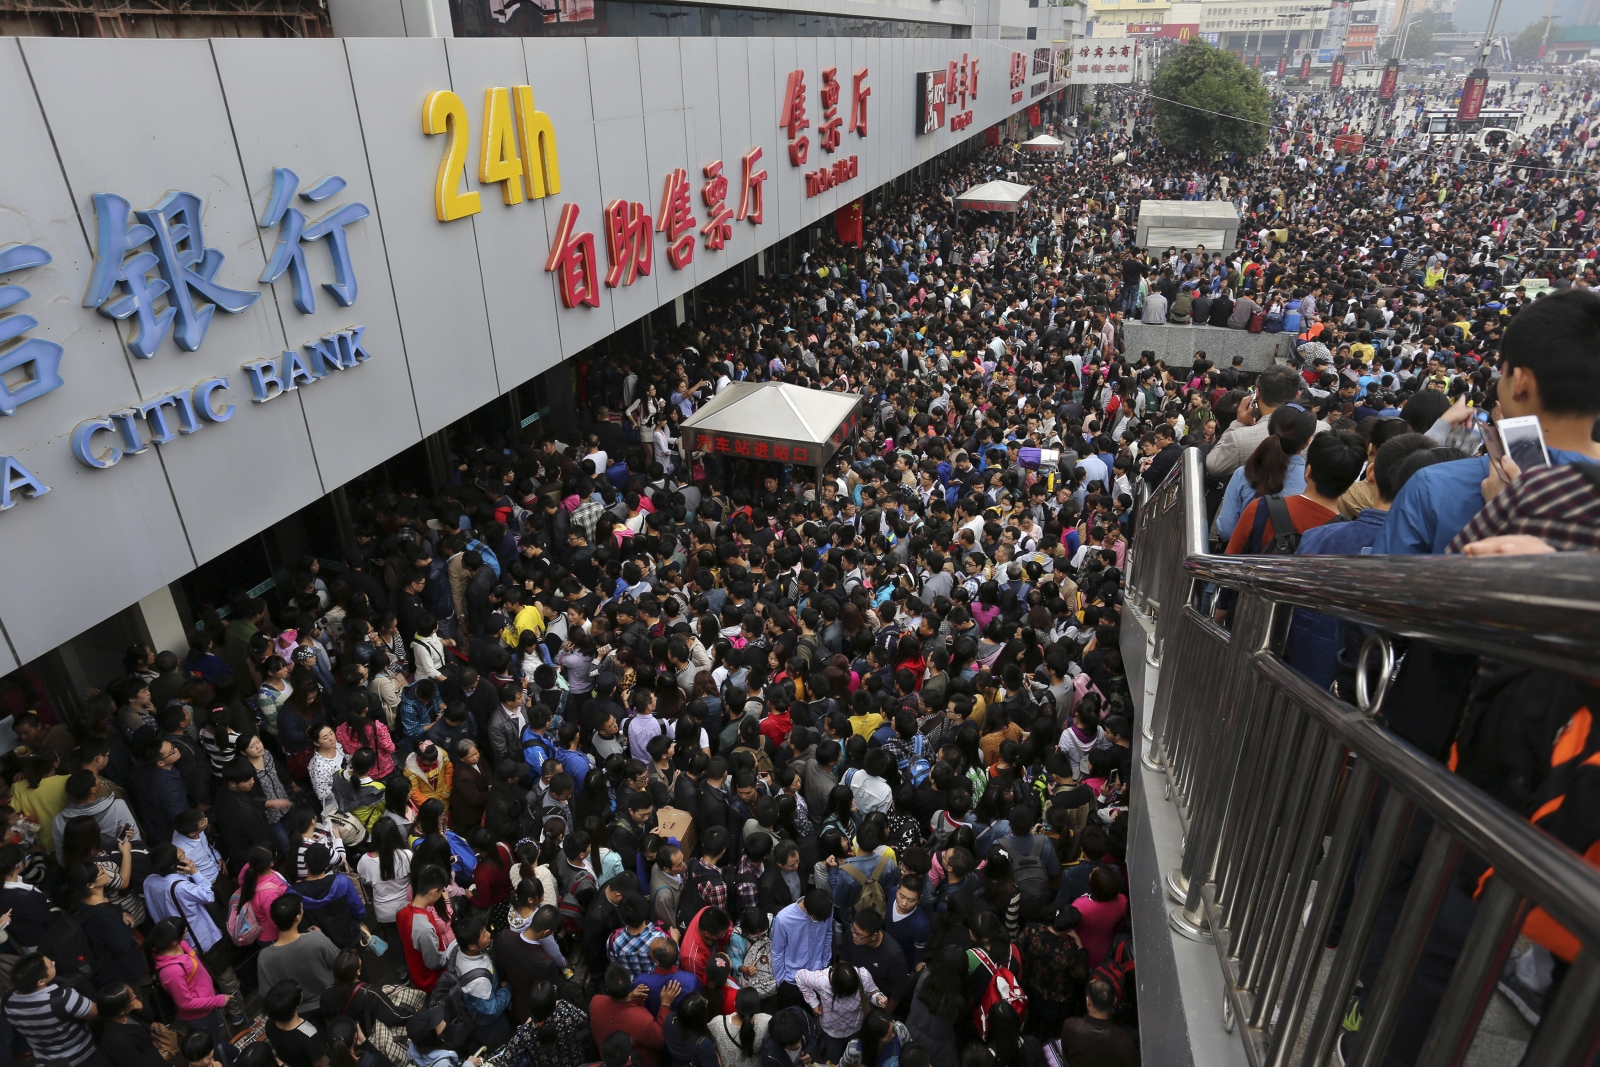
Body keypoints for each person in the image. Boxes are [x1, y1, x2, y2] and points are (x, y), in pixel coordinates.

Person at [4, 952, 102, 1067]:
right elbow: (94, 1012)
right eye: (50, 965)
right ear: (41, 982)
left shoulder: (8, 1003)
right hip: (83, 1055)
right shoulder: (63, 998)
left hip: (46, 1061)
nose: (54, 963)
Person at [257, 893, 341, 1012]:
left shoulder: (264, 956)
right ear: (297, 917)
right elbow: (339, 962)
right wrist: (320, 935)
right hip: (329, 1002)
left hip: (294, 1014)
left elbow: (265, 993)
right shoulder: (316, 939)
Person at [589, 963, 681, 1067]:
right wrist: (665, 1005)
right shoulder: (642, 1021)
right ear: (630, 982)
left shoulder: (595, 1002)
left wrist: (630, 997)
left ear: (607, 989)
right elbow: (660, 1041)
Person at [1060, 977, 1139, 1067]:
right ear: (1114, 1001)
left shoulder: (1070, 1025)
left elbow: (1066, 1054)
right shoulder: (1125, 1041)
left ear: (1088, 1001)